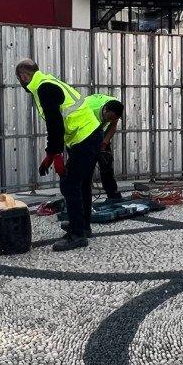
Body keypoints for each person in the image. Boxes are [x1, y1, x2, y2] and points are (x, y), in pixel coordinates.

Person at [15, 60, 103, 251]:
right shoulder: (47, 81)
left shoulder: (44, 89)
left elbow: (55, 124)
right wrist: (51, 153)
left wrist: (54, 154)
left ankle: (77, 234)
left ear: (23, 77)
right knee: (81, 183)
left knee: (69, 184)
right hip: (90, 133)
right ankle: (82, 226)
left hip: (84, 137)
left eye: (20, 80)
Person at [82, 94, 125, 203]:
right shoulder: (88, 109)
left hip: (100, 130)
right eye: (110, 118)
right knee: (86, 166)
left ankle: (112, 194)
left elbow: (113, 126)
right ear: (105, 110)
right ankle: (83, 198)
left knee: (106, 162)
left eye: (113, 118)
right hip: (84, 130)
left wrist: (104, 142)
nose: (111, 120)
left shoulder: (115, 107)